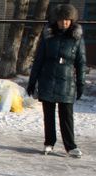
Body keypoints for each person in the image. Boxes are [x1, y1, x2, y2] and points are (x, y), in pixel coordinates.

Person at [27, 4, 86, 158]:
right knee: (48, 115)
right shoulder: (48, 36)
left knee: (66, 115)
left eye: (67, 20)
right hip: (47, 79)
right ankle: (49, 142)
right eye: (61, 20)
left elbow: (81, 62)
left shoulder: (76, 38)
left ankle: (70, 146)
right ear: (56, 21)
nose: (64, 23)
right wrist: (32, 82)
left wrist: (81, 83)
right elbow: (38, 60)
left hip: (66, 82)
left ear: (71, 20)